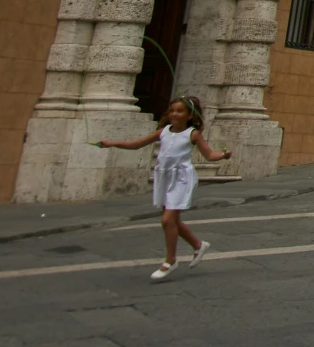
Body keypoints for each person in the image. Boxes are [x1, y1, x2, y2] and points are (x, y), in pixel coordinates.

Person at [96, 97, 229, 281]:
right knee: (172, 220)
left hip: (181, 178)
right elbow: (136, 144)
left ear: (190, 115)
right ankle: (198, 245)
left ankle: (170, 260)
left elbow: (209, 155)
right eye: (172, 110)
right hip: (165, 178)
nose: (174, 114)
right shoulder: (163, 131)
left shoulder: (193, 134)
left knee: (167, 220)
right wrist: (112, 143)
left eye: (180, 111)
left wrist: (223, 155)